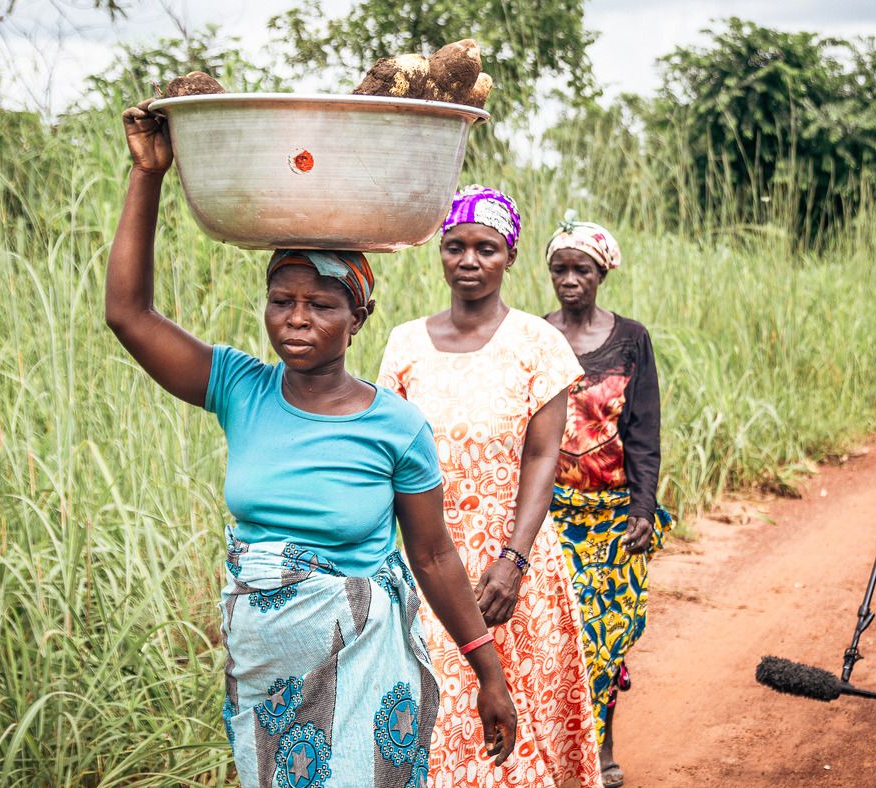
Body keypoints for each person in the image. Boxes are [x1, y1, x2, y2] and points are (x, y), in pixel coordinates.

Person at [105, 100, 516, 787]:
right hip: (266, 670)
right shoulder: (240, 387)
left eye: (321, 304)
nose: (296, 319)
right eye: (281, 299)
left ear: (358, 316)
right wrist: (147, 174)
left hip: (365, 662)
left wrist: (488, 670)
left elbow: (434, 554)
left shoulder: (396, 427)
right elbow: (128, 314)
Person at [377, 185, 602, 787]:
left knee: (524, 723)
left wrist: (513, 560)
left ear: (510, 257)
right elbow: (388, 460)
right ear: (440, 253)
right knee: (446, 724)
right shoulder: (404, 345)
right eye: (456, 247)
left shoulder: (539, 345)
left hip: (516, 569)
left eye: (487, 248)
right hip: (429, 568)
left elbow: (542, 455)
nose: (470, 260)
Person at [542, 212, 671, 788]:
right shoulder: (534, 336)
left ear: (602, 273)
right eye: (560, 269)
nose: (570, 279)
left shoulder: (631, 339)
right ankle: (557, 752)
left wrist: (642, 509)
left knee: (607, 635)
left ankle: (602, 745)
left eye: (582, 269)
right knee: (557, 635)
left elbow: (644, 431)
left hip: (614, 518)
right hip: (548, 519)